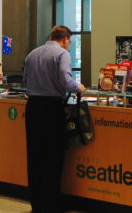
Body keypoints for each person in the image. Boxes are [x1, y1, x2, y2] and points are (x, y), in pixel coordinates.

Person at [23, 25, 86, 213]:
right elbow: (67, 81)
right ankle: (51, 205)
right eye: (70, 42)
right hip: (51, 109)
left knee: (35, 156)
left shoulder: (32, 54)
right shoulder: (62, 54)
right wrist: (79, 88)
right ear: (65, 38)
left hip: (33, 107)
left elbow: (25, 81)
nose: (69, 45)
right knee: (52, 157)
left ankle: (37, 204)